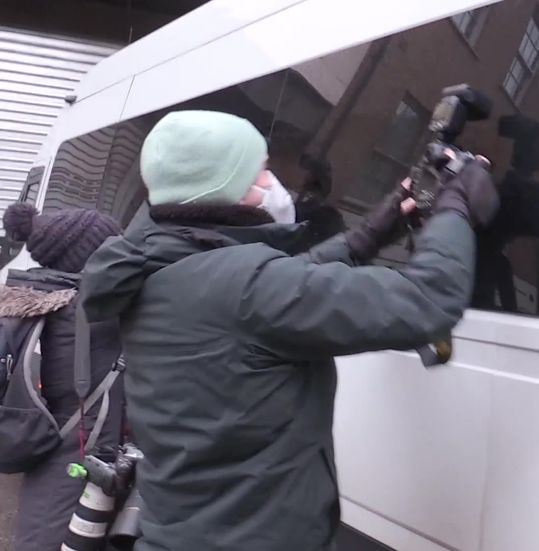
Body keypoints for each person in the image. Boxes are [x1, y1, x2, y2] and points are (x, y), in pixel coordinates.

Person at [80, 110, 499, 550]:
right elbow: (428, 299)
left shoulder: (159, 266)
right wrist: (455, 206)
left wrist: (368, 235)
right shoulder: (246, 285)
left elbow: (278, 286)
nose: (272, 183)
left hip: (187, 530)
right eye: (261, 171)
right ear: (224, 185)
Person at [0, 203, 124, 551]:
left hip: (54, 443)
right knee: (51, 538)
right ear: (91, 256)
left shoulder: (41, 299)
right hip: (80, 453)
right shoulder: (84, 312)